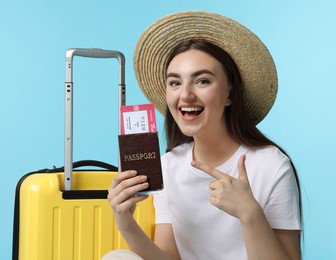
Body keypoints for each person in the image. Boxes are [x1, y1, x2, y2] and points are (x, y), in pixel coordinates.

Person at [103, 10, 302, 260]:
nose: (185, 95)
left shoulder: (271, 166)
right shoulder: (167, 167)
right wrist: (125, 222)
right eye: (175, 83)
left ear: (230, 94)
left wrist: (250, 213)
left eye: (203, 81)